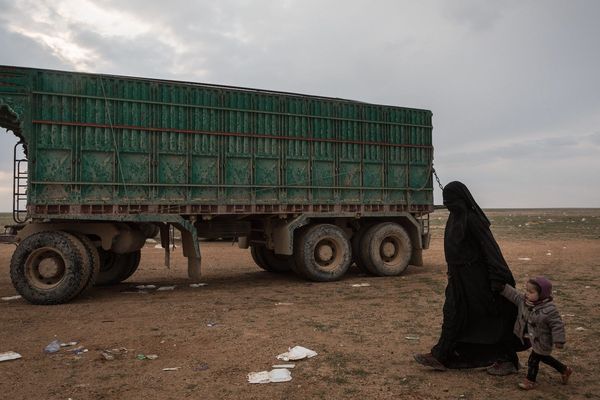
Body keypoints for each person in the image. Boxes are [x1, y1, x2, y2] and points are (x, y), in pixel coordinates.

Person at [414, 181, 524, 373]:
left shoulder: (473, 220)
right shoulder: (455, 219)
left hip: (478, 280)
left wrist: (497, 279)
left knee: (491, 318)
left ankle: (507, 359)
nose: (448, 204)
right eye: (445, 200)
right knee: (452, 314)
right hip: (458, 279)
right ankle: (441, 355)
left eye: (451, 200)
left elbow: (490, 249)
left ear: (461, 199)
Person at [500, 276, 572, 390]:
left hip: (542, 340)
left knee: (533, 360)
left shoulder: (549, 309)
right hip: (534, 338)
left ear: (542, 294)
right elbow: (514, 295)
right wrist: (502, 288)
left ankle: (530, 380)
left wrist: (559, 340)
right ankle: (564, 369)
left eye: (531, 292)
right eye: (526, 290)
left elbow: (557, 325)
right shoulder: (524, 301)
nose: (527, 293)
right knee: (544, 358)